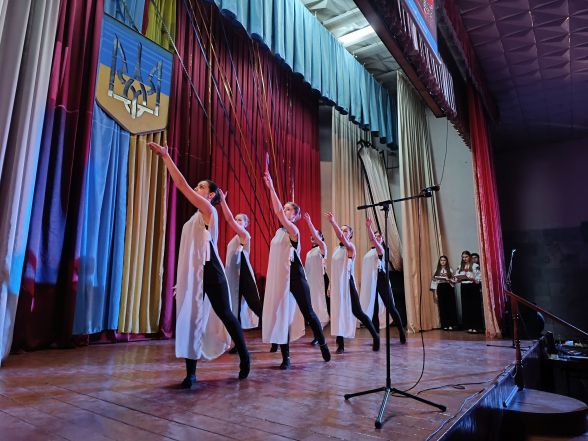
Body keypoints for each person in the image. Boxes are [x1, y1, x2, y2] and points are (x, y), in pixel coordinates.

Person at [147, 141, 250, 388]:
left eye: (201, 187)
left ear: (211, 195)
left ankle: (245, 356)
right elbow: (190, 253)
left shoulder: (208, 211)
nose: (197, 188)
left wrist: (166, 157)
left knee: (226, 314)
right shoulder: (195, 217)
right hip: (197, 274)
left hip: (212, 271)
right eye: (198, 186)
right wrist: (183, 280)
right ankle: (191, 374)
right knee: (192, 317)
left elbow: (181, 185)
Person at [261, 169, 331, 369]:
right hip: (281, 279)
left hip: (296, 278)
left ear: (296, 216)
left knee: (309, 313)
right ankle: (286, 358)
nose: (285, 211)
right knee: (281, 316)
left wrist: (271, 187)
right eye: (285, 208)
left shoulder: (294, 230)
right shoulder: (278, 232)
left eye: (289, 209)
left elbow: (277, 212)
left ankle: (323, 344)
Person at [325, 212, 380, 354]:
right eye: (342, 229)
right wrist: (331, 285)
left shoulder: (351, 248)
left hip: (348, 284)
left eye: (345, 230)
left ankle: (376, 336)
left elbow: (340, 237)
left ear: (350, 235)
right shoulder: (337, 250)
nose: (343, 232)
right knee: (337, 311)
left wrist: (333, 222)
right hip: (337, 286)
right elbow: (334, 270)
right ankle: (340, 344)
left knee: (358, 312)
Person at [218, 190, 262, 355]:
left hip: (244, 276)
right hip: (233, 277)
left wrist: (223, 201)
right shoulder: (234, 239)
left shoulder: (245, 235)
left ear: (246, 224)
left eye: (240, 220)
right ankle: (238, 343)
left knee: (256, 307)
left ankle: (277, 337)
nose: (236, 221)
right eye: (236, 219)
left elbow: (228, 219)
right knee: (234, 310)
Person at [361, 218, 406, 343]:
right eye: (376, 236)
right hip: (372, 282)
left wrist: (369, 227)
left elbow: (372, 239)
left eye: (379, 236)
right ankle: (376, 337)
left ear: (382, 239)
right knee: (374, 309)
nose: (377, 237)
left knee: (391, 307)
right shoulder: (369, 252)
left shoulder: (381, 249)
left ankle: (401, 333)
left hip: (381, 280)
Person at [302, 213, 330, 344]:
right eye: (311, 235)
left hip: (319, 282)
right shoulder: (309, 252)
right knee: (312, 307)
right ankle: (317, 334)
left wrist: (309, 223)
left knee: (319, 305)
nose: (312, 236)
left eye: (316, 235)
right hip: (310, 283)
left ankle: (319, 336)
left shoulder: (322, 248)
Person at [454, 250, 484, 333]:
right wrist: (458, 279)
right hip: (464, 286)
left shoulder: (475, 265)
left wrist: (473, 279)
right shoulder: (460, 266)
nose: (464, 258)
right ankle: (469, 326)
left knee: (474, 306)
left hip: (473, 286)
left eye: (466, 257)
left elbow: (479, 277)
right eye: (463, 257)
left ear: (469, 257)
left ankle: (476, 327)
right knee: (466, 306)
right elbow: (456, 277)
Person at [431, 255, 458, 330]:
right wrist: (435, 293)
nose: (443, 262)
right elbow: (434, 282)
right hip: (440, 288)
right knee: (442, 307)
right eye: (441, 260)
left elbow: (454, 281)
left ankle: (451, 324)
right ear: (439, 262)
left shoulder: (450, 270)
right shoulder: (436, 270)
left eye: (444, 260)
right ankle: (445, 325)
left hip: (448, 288)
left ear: (446, 261)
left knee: (450, 306)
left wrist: (449, 279)